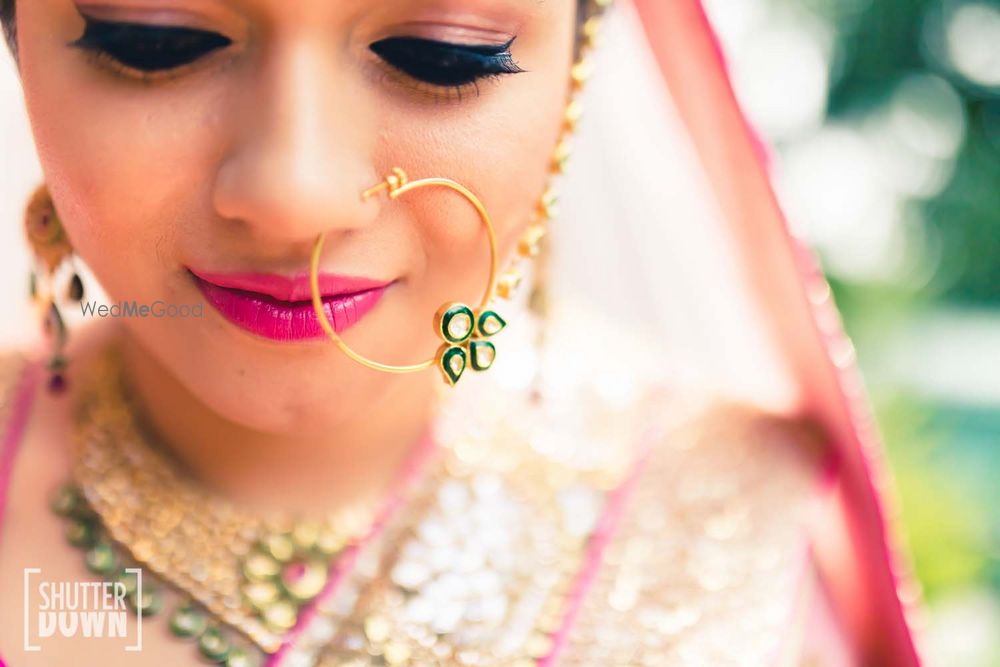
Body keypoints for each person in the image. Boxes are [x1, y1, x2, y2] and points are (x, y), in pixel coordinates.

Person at [0, 0, 921, 664]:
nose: (294, 195)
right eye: (156, 42)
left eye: (443, 54)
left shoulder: (727, 539)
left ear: (578, 60)